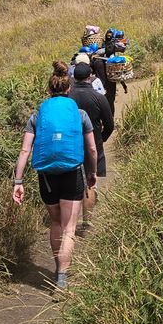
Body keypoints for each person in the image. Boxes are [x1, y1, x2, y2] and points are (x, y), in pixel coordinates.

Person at [12, 60, 97, 291]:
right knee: (70, 227)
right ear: (68, 89)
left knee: (56, 222)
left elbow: (25, 150)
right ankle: (61, 278)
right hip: (72, 173)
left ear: (49, 90)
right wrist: (93, 173)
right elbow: (91, 149)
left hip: (47, 176)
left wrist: (18, 182)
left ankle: (57, 265)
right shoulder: (79, 114)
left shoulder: (37, 116)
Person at [70, 61, 114, 234]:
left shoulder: (69, 97)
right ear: (90, 76)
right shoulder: (99, 97)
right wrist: (100, 140)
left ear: (74, 77)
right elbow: (109, 125)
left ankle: (68, 223)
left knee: (72, 184)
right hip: (93, 143)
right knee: (90, 183)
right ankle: (87, 223)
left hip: (71, 145)